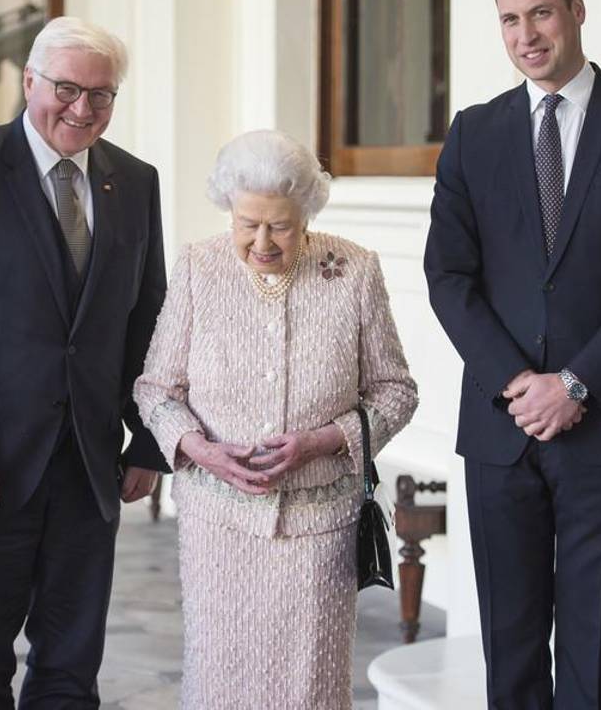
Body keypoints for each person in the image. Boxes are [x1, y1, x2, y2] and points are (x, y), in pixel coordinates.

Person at [424, 0, 601, 709]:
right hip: (501, 429)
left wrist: (575, 384)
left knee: (588, 655)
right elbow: (448, 274)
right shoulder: (473, 133)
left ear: (577, 10)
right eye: (509, 19)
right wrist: (520, 384)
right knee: (508, 654)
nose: (526, 34)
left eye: (540, 12)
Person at [0, 16, 168, 708]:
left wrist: (147, 438)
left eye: (102, 95)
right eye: (68, 89)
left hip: (88, 467)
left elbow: (150, 320)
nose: (83, 110)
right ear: (29, 83)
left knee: (71, 670)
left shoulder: (135, 182)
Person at [133, 129, 419, 709]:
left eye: (279, 226)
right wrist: (202, 449)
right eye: (248, 224)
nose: (261, 241)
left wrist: (322, 440)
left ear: (306, 214)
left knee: (308, 686)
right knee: (220, 682)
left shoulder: (354, 270)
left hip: (319, 528)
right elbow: (156, 389)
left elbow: (396, 392)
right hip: (217, 524)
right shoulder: (199, 267)